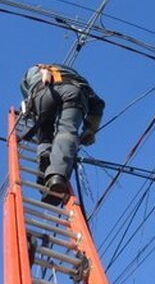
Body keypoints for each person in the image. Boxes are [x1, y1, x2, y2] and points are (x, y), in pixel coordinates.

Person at [19, 63, 105, 203]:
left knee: (43, 126)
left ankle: (45, 157)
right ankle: (56, 176)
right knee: (67, 130)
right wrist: (90, 130)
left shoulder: (31, 72)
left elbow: (27, 92)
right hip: (73, 92)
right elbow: (98, 105)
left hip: (41, 93)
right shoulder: (78, 79)